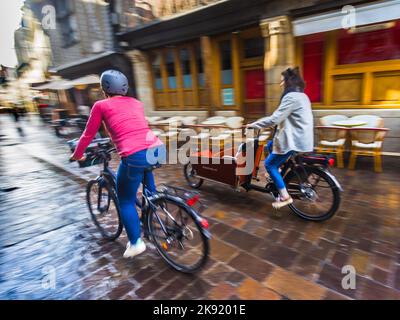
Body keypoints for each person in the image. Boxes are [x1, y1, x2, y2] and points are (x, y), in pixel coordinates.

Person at [70, 70, 164, 258]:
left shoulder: (100, 105)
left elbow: (88, 134)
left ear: (105, 89)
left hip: (134, 154)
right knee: (148, 187)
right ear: (125, 87)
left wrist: (77, 154)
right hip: (157, 149)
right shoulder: (137, 103)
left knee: (126, 200)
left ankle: (136, 243)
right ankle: (153, 210)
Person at [247, 67, 314, 209]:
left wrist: (254, 125)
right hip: (302, 137)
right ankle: (276, 175)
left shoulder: (291, 97)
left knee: (269, 164)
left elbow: (275, 118)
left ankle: (285, 197)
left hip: (293, 140)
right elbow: (291, 118)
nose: (281, 84)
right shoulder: (303, 95)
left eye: (282, 81)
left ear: (288, 81)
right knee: (270, 146)